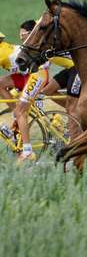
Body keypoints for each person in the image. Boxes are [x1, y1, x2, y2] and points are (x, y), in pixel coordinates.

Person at [0, 21, 49, 162]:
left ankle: (28, 151)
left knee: (21, 111)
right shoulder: (2, 48)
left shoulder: (2, 54)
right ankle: (17, 115)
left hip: (37, 73)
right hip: (27, 75)